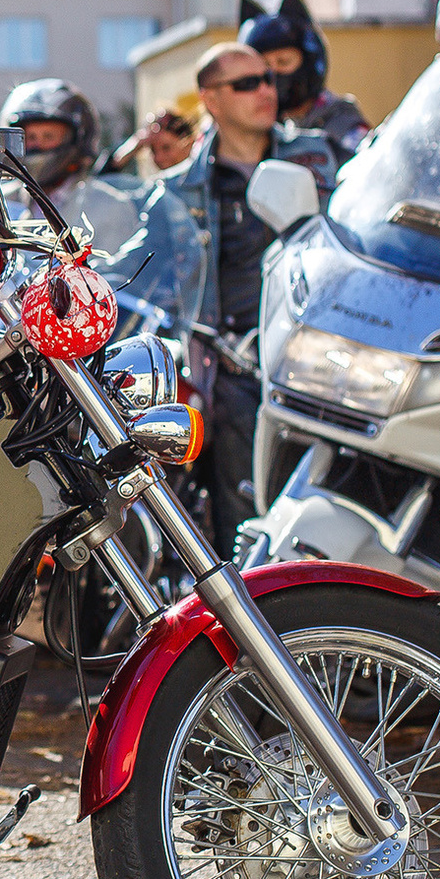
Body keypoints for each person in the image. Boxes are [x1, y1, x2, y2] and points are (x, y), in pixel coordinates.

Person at [105, 42, 338, 555]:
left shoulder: (319, 156)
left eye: (267, 79)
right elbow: (128, 269)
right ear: (210, 99)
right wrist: (68, 282)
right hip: (237, 372)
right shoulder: (180, 192)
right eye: (247, 83)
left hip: (321, 362)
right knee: (249, 523)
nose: (266, 91)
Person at [0, 78, 142, 256]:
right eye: (30, 137)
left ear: (76, 140)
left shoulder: (108, 205)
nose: (37, 145)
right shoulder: (3, 200)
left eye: (48, 136)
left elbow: (116, 274)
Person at [242, 0, 369, 159]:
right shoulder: (261, 130)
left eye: (283, 62)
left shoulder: (344, 128)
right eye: (265, 66)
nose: (273, 74)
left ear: (309, 60)